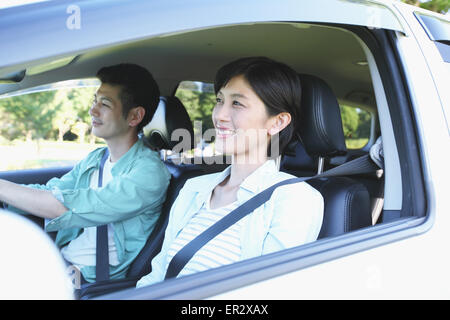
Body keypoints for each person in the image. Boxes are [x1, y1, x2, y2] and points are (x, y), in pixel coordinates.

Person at [136, 57, 324, 288]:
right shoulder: (194, 188)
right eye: (219, 100)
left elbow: (269, 293)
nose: (219, 115)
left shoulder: (295, 198)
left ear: (277, 123)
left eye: (237, 104)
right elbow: (158, 276)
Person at [0, 63, 171, 283]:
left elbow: (65, 206)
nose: (93, 110)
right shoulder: (97, 158)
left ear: (135, 116)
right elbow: (54, 191)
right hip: (61, 260)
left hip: (89, 281)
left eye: (105, 104)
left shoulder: (149, 173)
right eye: (94, 101)